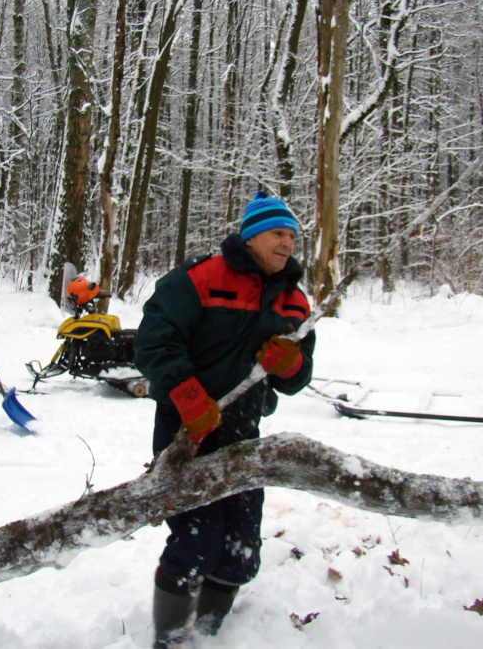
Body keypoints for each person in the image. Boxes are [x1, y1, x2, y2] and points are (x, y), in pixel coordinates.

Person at [134, 192, 315, 647]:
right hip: (186, 430)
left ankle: (209, 633)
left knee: (241, 551)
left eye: (292, 236)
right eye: (278, 234)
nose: (287, 244)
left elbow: (297, 379)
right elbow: (155, 339)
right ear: (251, 237)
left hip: (244, 434)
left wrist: (289, 364)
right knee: (198, 543)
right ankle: (171, 639)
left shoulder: (294, 302)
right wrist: (189, 397)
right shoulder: (200, 278)